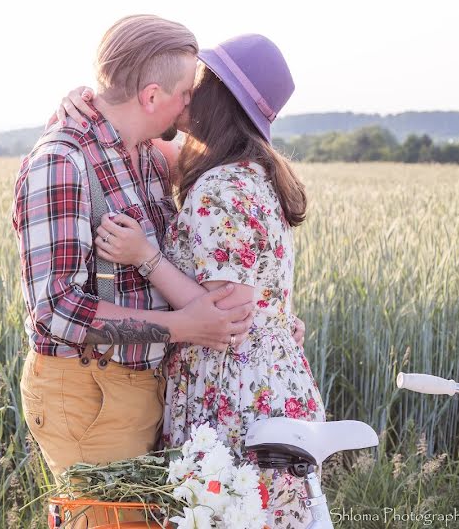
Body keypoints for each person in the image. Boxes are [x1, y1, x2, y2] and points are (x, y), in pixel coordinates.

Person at [55, 34, 325, 527]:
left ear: (217, 96)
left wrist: (147, 257)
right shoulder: (250, 171)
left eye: (199, 80)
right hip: (261, 380)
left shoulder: (223, 185)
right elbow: (128, 127)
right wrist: (84, 102)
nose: (187, 88)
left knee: (227, 511)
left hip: (234, 390)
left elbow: (226, 317)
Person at [11, 15, 256, 527]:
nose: (194, 103)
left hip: (139, 387)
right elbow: (56, 311)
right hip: (88, 393)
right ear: (150, 96)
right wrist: (183, 327)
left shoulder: (143, 153)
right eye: (187, 92)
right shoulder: (60, 163)